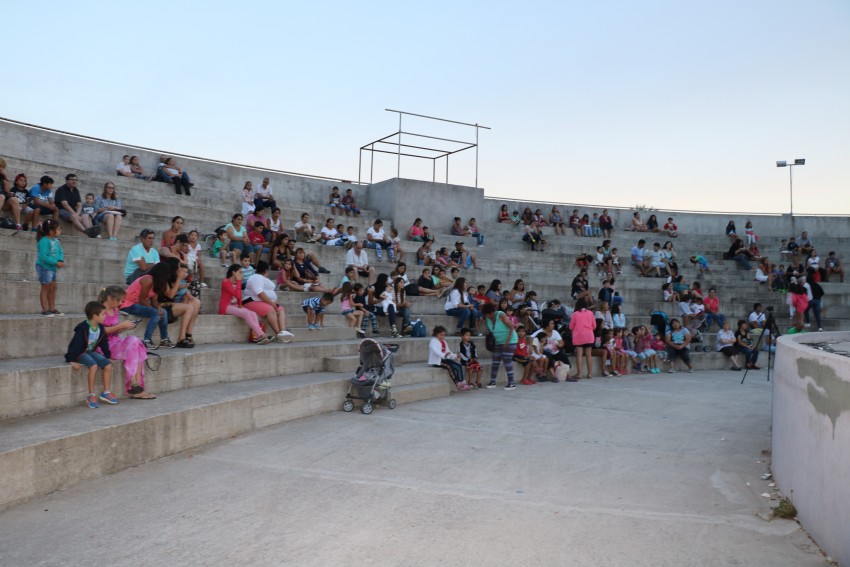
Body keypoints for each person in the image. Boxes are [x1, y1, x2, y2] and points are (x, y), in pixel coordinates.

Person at [97, 286, 155, 399]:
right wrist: (120, 326)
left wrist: (125, 327)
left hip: (115, 342)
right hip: (104, 346)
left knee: (137, 343)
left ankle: (137, 387)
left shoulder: (115, 310)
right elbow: (99, 332)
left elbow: (115, 330)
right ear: (109, 298)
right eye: (118, 300)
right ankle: (134, 386)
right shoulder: (99, 310)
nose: (120, 303)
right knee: (134, 342)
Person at [65, 301, 118, 409]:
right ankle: (91, 395)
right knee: (93, 366)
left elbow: (104, 342)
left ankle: (106, 392)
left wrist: (107, 355)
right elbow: (75, 344)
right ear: (95, 316)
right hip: (80, 352)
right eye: (103, 314)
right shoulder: (83, 328)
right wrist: (72, 359)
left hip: (90, 351)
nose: (105, 316)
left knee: (108, 365)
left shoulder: (100, 328)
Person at [120, 262, 174, 350]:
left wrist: (159, 308)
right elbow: (142, 300)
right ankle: (146, 340)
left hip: (138, 305)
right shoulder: (148, 279)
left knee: (163, 312)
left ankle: (164, 339)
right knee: (155, 312)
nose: (169, 276)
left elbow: (154, 301)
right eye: (168, 273)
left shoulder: (158, 283)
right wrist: (155, 310)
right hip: (128, 304)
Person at [220, 264, 272, 344]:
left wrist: (240, 305)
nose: (241, 274)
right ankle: (262, 334)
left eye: (242, 272)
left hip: (236, 306)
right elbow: (237, 295)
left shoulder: (237, 282)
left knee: (253, 313)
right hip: (226, 306)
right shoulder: (226, 282)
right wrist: (239, 281)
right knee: (246, 313)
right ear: (233, 272)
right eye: (240, 272)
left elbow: (239, 297)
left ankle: (257, 336)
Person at [244, 261, 295, 342]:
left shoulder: (263, 278)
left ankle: (283, 331)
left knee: (280, 310)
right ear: (266, 270)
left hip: (263, 302)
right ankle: (279, 335)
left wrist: (274, 301)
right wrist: (271, 303)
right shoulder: (256, 277)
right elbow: (259, 293)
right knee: (270, 310)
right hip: (251, 301)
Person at [481, 302, 519, 390]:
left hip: (510, 340)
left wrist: (507, 341)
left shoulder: (501, 315)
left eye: (487, 314)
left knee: (507, 360)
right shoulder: (488, 319)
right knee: (495, 361)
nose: (486, 316)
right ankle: (493, 381)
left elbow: (511, 327)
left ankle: (511, 383)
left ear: (491, 312)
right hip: (499, 342)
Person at [35, 219, 65, 317]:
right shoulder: (44, 241)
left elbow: (60, 252)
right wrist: (55, 263)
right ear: (51, 231)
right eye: (58, 229)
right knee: (45, 287)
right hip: (44, 268)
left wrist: (60, 260)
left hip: (52, 268)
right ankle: (45, 309)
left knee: (53, 287)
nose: (60, 231)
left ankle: (52, 309)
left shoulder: (56, 241)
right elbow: (43, 257)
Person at [55, 173, 99, 237]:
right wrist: (75, 214)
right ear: (67, 181)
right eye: (72, 180)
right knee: (74, 217)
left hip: (74, 210)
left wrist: (77, 214)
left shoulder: (76, 190)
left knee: (86, 215)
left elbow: (79, 204)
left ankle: (91, 231)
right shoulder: (61, 189)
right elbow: (65, 205)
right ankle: (86, 231)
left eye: (75, 180)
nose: (74, 181)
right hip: (62, 210)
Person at [428, 325, 471, 391]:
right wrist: (444, 355)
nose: (442, 336)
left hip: (444, 359)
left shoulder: (444, 342)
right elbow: (436, 351)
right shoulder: (433, 341)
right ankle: (457, 383)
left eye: (444, 335)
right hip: (437, 361)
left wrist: (455, 356)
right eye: (441, 335)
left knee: (458, 365)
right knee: (450, 367)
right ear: (436, 334)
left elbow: (448, 352)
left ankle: (462, 382)